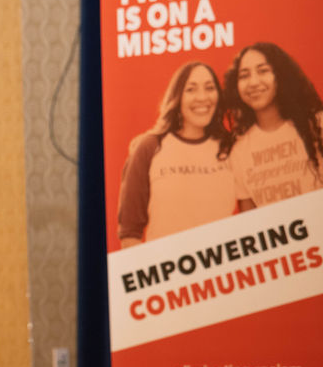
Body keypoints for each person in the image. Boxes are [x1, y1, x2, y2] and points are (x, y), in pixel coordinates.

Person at [117, 61, 234, 247]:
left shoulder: (230, 147)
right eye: (191, 89)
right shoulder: (149, 147)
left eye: (210, 88)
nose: (202, 97)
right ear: (177, 96)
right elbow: (130, 233)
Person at [219, 42, 323, 210]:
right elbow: (250, 219)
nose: (253, 82)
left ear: (280, 75)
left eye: (263, 71)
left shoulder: (317, 125)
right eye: (244, 75)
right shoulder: (239, 150)